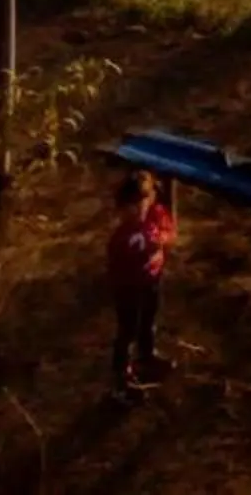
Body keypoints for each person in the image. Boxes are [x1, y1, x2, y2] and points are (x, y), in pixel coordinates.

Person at [104, 169, 176, 398]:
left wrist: (161, 241)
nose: (137, 210)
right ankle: (121, 374)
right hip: (129, 288)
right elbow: (118, 265)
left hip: (151, 280)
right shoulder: (122, 236)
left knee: (148, 320)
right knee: (128, 330)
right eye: (130, 207)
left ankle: (147, 356)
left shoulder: (156, 216)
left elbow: (169, 232)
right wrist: (144, 251)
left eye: (141, 203)